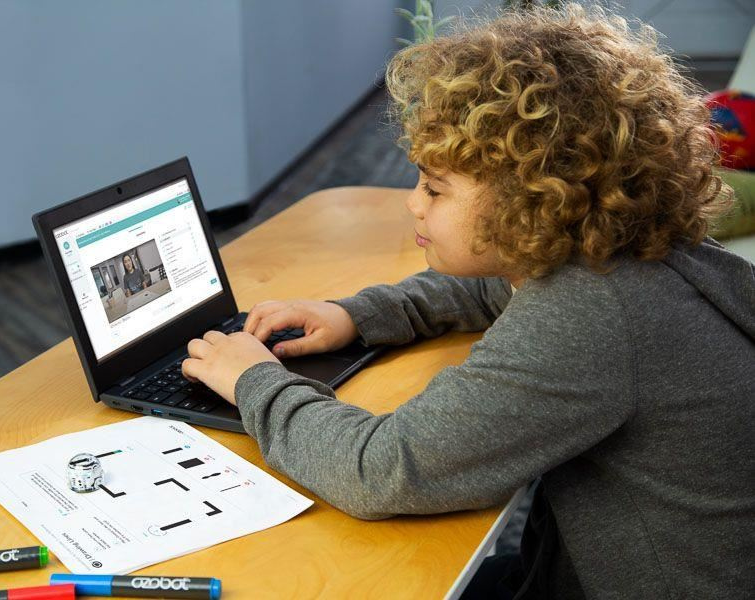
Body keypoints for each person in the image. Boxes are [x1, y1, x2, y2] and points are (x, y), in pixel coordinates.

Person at [181, 5, 754, 598]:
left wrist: (254, 380)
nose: (413, 203)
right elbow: (497, 286)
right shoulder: (633, 249)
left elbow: (381, 471)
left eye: (435, 188)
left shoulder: (591, 314)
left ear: (532, 200)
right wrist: (357, 314)